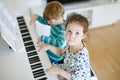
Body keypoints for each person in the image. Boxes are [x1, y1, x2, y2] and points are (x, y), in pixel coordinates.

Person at [46, 13, 91, 80]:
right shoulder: (71, 44)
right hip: (67, 70)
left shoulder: (81, 57)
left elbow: (76, 78)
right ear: (65, 30)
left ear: (83, 36)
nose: (71, 36)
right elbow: (62, 52)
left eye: (77, 33)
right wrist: (49, 46)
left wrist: (59, 71)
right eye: (69, 31)